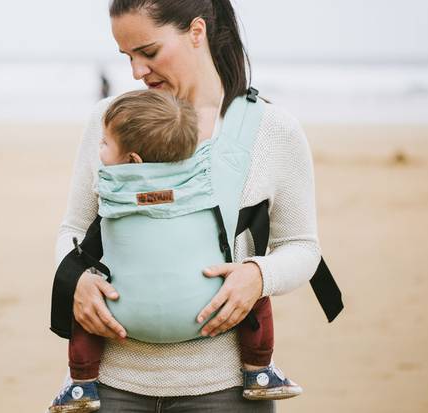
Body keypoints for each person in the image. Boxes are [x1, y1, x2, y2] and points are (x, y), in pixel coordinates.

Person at [52, 1, 334, 411]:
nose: (135, 72)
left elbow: (303, 247)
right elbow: (73, 228)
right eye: (127, 57)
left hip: (225, 387)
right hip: (108, 384)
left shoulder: (272, 130)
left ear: (196, 31)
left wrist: (258, 275)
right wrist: (74, 280)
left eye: (148, 52)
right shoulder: (112, 120)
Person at [50, 89, 303, 413]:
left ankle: (80, 382)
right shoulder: (202, 178)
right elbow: (71, 227)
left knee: (86, 306)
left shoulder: (109, 185)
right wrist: (257, 274)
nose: (139, 69)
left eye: (104, 144)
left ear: (131, 161)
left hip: (120, 316)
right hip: (209, 313)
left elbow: (77, 238)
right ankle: (258, 371)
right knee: (256, 293)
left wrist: (78, 279)